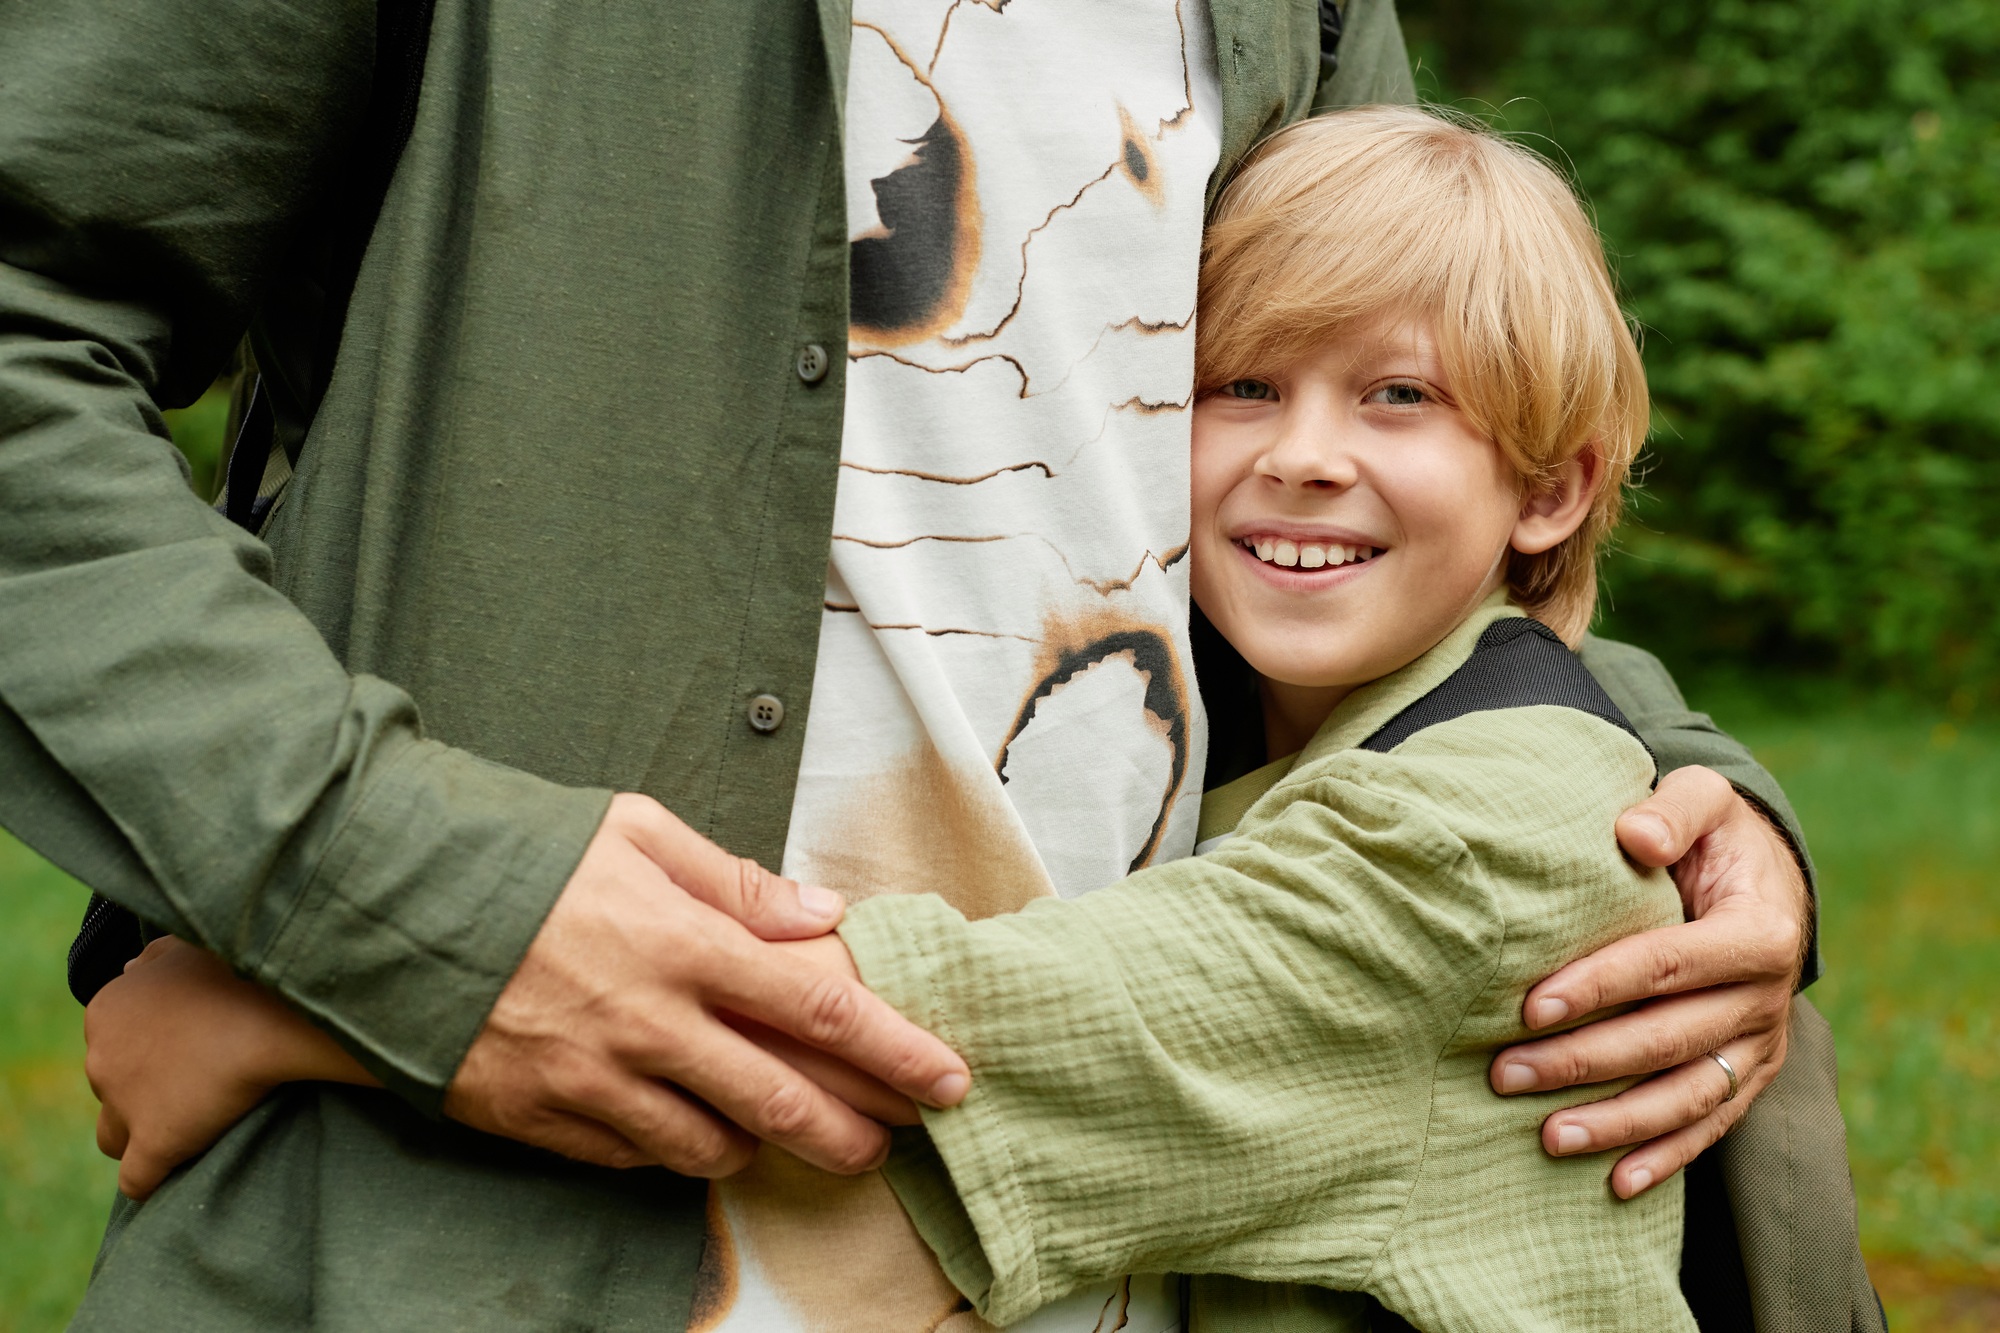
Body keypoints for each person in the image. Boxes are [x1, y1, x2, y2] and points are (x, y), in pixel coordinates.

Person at [6, 0, 1820, 1328]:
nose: (1301, 441)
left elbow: (1413, 410)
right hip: (456, 1257)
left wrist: (1677, 783)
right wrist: (385, 894)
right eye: (1244, 396)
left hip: (1114, 1255)